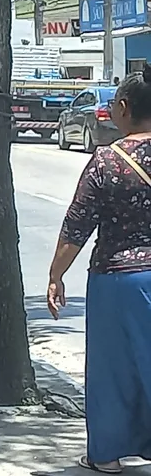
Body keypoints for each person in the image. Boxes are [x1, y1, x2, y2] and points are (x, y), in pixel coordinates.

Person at [48, 67, 151, 474]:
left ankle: (106, 455)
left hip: (118, 280)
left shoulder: (109, 160)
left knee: (111, 369)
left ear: (124, 108)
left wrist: (56, 274)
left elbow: (77, 225)